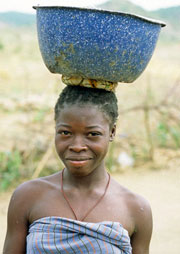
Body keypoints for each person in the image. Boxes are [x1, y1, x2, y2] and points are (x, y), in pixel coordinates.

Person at [3, 85, 152, 254]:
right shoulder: (28, 196)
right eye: (65, 133)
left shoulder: (134, 209)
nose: (77, 146)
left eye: (93, 134)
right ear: (55, 130)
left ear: (112, 132)